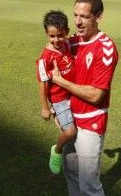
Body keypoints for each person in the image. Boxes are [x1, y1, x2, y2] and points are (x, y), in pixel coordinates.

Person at [51, 0, 119, 196]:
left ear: (98, 17)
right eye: (75, 16)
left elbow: (96, 95)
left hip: (90, 123)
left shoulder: (105, 48)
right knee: (71, 174)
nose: (78, 22)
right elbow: (47, 62)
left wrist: (62, 81)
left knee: (89, 185)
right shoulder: (71, 42)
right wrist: (55, 108)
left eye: (84, 17)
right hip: (70, 121)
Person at [36, 11, 77, 174]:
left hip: (73, 93)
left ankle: (59, 119)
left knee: (77, 132)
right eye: (52, 36)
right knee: (70, 132)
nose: (56, 40)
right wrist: (45, 108)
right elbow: (42, 83)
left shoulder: (67, 44)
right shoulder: (45, 58)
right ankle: (57, 151)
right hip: (59, 98)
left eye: (60, 35)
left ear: (66, 31)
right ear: (47, 33)